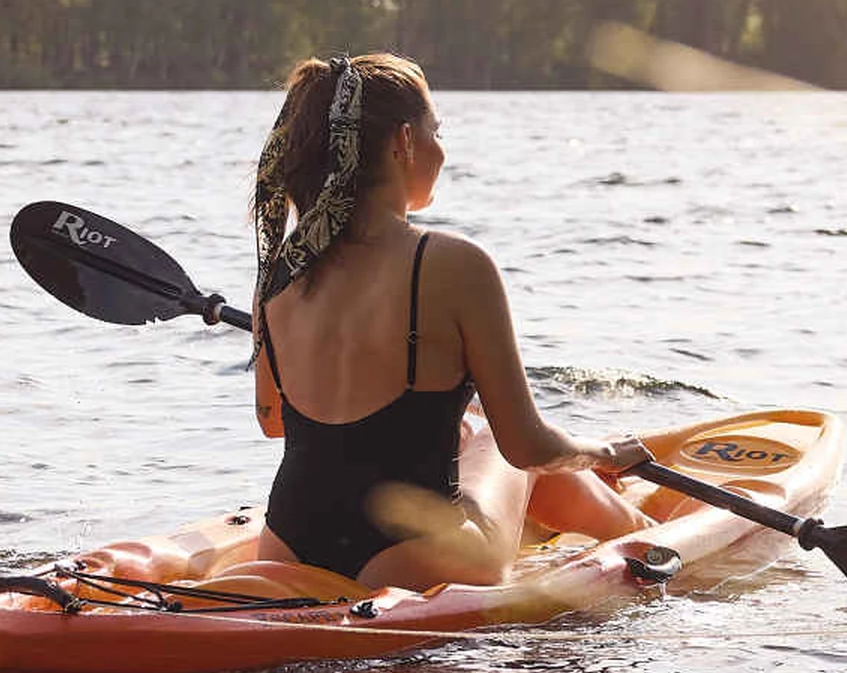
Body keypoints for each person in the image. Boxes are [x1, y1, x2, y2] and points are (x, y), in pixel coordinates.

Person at [246, 53, 651, 589]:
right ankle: (649, 534)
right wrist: (603, 452)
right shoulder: (454, 263)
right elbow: (528, 446)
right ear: (403, 142)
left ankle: (610, 522)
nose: (442, 148)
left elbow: (274, 421)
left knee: (467, 431)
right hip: (410, 554)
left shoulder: (281, 269)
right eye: (437, 130)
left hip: (289, 546)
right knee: (491, 439)